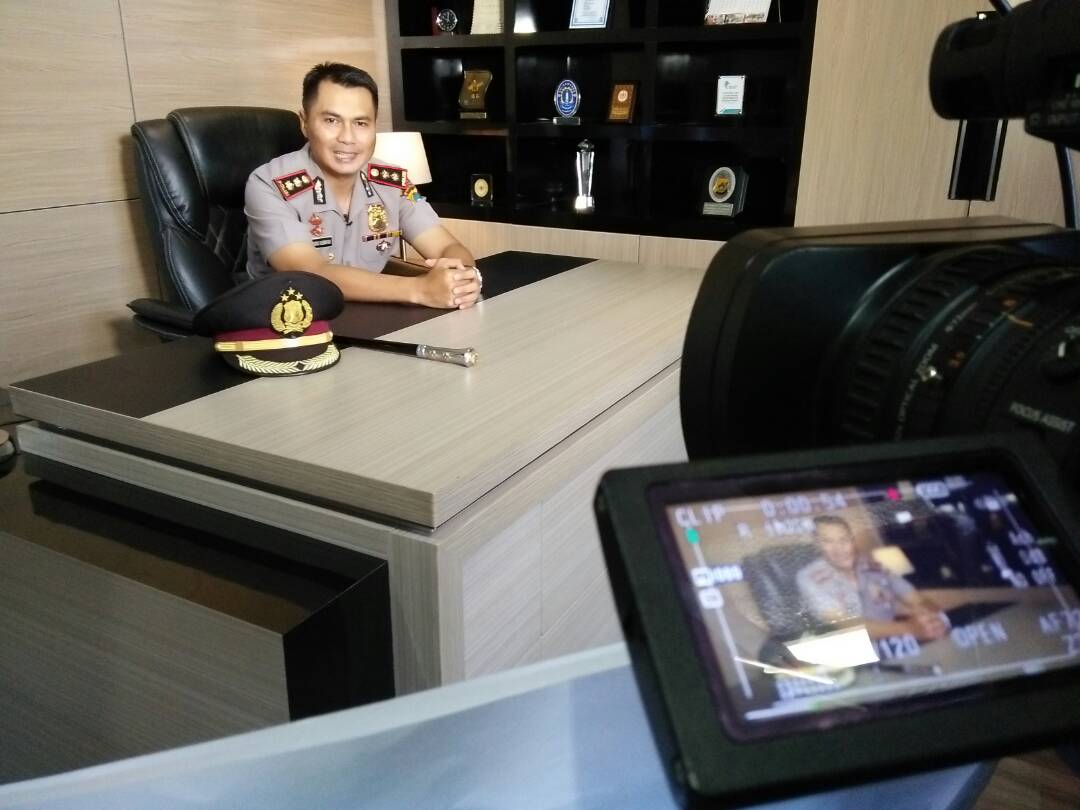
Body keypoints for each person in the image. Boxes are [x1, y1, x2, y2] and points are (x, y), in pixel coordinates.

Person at [245, 62, 481, 309]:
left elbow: (446, 246)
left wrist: (462, 277)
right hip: (291, 320)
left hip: (371, 315)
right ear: (304, 122)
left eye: (361, 123)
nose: (348, 138)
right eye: (331, 120)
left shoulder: (392, 182)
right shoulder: (269, 185)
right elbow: (310, 273)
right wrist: (420, 289)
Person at [797, 514, 949, 642]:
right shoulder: (808, 577)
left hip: (895, 640)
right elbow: (847, 625)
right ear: (817, 544)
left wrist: (930, 618)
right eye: (828, 541)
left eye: (844, 540)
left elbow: (913, 597)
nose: (839, 549)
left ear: (852, 541)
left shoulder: (871, 564)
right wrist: (910, 628)